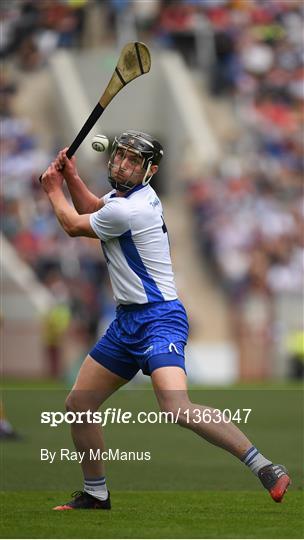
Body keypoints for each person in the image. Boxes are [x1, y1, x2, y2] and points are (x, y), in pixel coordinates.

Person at [41, 130, 290, 510]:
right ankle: (96, 494)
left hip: (160, 320)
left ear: (150, 170)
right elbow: (95, 208)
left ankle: (265, 467)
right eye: (120, 156)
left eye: (133, 161)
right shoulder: (129, 198)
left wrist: (53, 189)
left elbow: (76, 224)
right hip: (127, 322)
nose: (123, 164)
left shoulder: (130, 208)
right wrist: (73, 177)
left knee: (177, 407)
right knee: (79, 404)